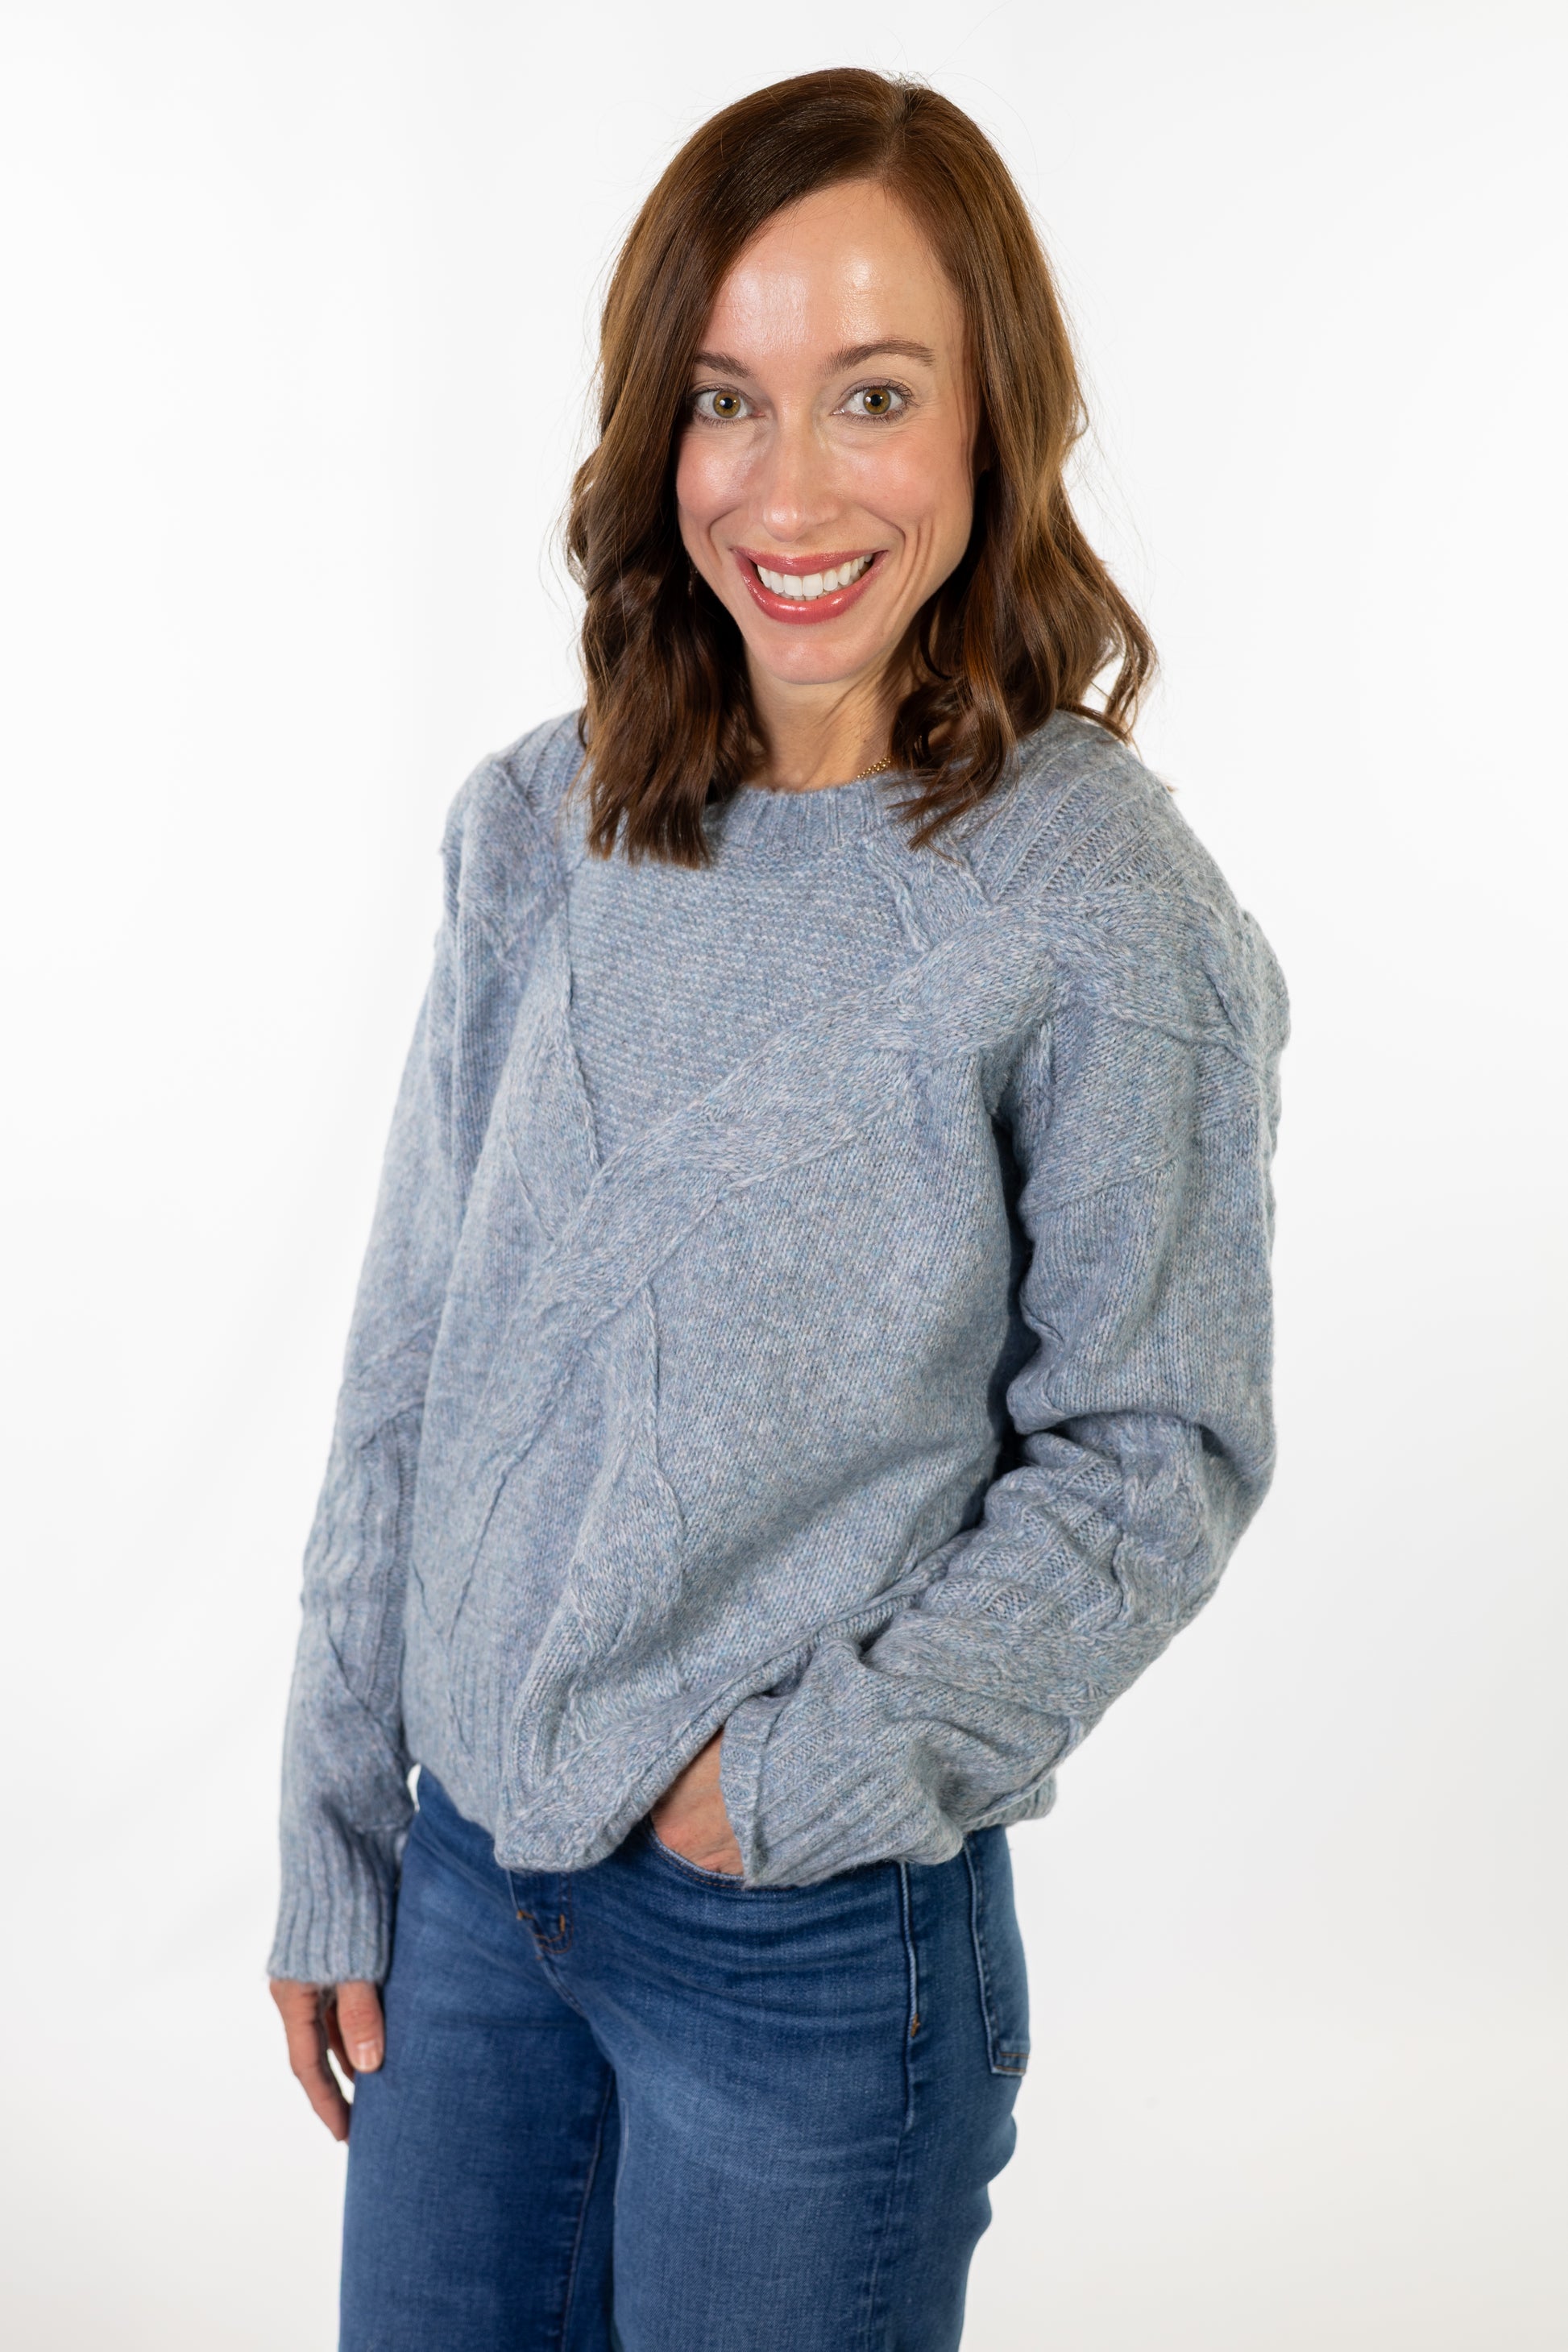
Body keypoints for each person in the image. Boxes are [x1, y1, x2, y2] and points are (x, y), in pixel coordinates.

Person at [268, 65, 1287, 2352]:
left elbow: (1158, 1449)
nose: (790, 486)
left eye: (874, 396)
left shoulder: (1096, 902)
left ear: (988, 426)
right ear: (657, 436)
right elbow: (415, 1348)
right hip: (465, 1894)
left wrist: (786, 1787)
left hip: (798, 1939)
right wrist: (341, 1808)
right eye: (729, 400)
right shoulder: (541, 822)